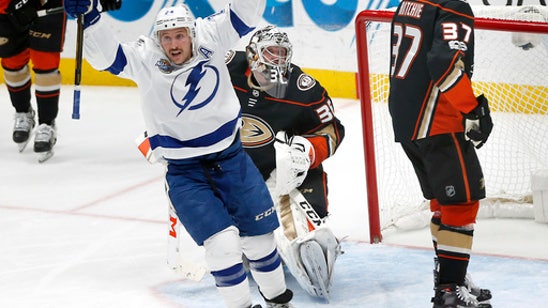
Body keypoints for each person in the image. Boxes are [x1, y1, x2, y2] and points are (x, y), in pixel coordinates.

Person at [62, 1, 293, 308]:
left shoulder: (210, 36)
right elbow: (107, 58)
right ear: (158, 39)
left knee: (260, 240)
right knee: (223, 246)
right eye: (167, 37)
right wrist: (91, 17)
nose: (173, 44)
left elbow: (246, 12)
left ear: (192, 34)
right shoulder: (146, 57)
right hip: (186, 174)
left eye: (180, 36)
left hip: (232, 159)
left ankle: (279, 302)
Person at [226, 25, 345, 300]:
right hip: (235, 171)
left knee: (306, 237)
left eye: (282, 54)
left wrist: (308, 150)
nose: (277, 62)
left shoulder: (303, 90)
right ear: (253, 55)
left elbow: (333, 130)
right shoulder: (226, 69)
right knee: (236, 249)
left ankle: (304, 237)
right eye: (270, 53)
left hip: (287, 172)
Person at [388, 0, 494, 307]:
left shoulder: (410, 4)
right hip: (436, 120)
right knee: (463, 202)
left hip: (407, 117)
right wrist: (470, 108)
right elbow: (443, 64)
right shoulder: (454, 7)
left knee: (443, 201)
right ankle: (449, 290)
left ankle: (453, 278)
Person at [1, 0, 66, 162]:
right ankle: (23, 112)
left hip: (45, 3)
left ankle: (47, 124)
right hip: (4, 7)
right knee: (12, 62)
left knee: (46, 64)